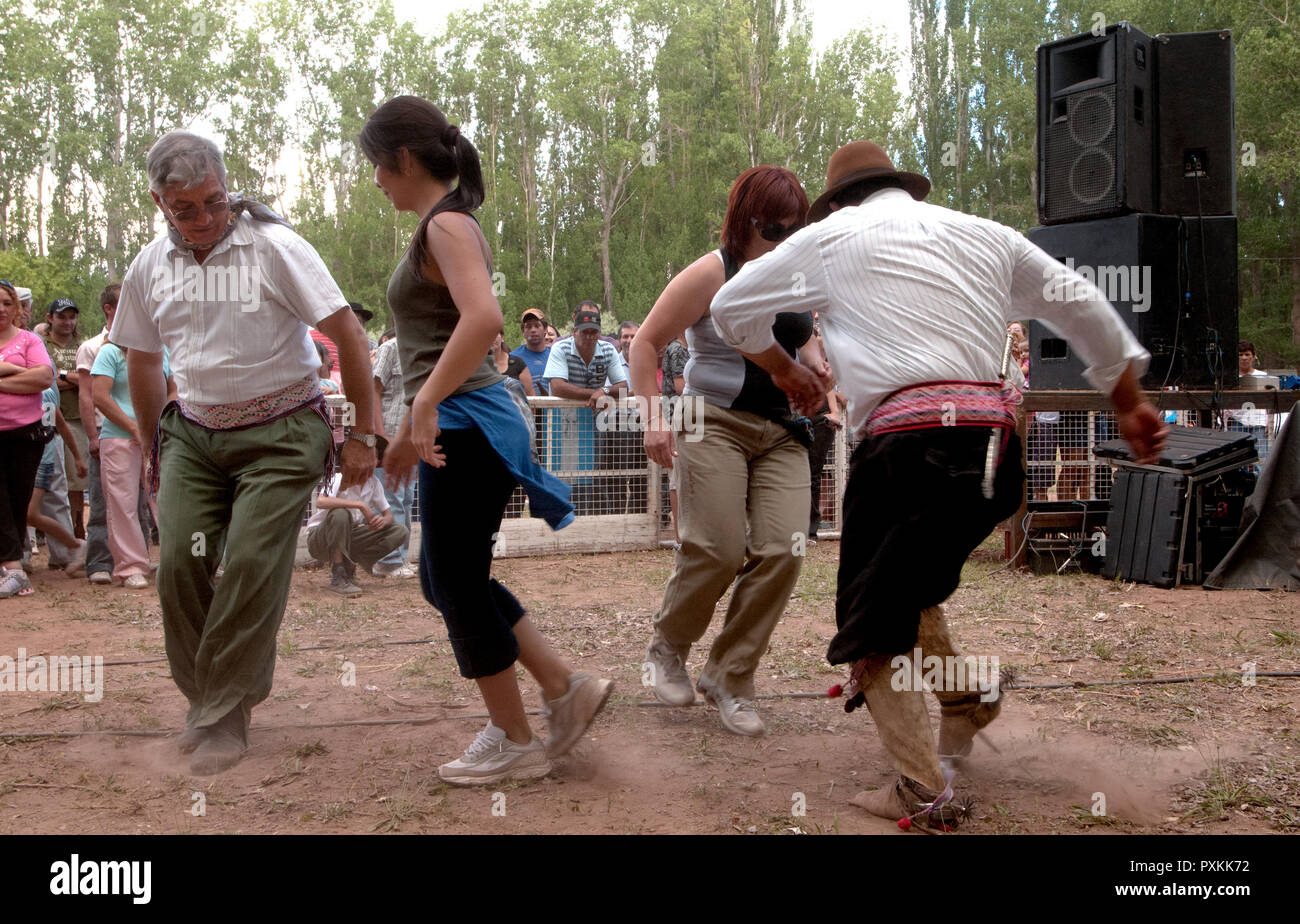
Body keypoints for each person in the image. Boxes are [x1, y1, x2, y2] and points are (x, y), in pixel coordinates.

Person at [710, 140, 1168, 826]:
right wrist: (1128, 397)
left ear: (837, 203)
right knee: (908, 580)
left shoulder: (830, 239)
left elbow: (730, 307)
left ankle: (923, 789)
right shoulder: (987, 235)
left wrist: (783, 370)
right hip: (992, 456)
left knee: (870, 621)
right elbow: (1078, 301)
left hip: (903, 451)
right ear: (907, 192)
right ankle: (967, 697)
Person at [360, 94, 612, 786]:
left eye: (377, 166)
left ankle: (516, 739)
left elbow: (484, 318)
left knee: (456, 583)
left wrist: (426, 406)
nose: (376, 180)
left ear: (404, 159)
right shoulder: (445, 225)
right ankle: (563, 688)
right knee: (447, 579)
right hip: (466, 418)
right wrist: (421, 412)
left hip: (468, 420)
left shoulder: (445, 226)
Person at [112, 130, 378, 776]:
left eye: (214, 202)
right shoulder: (149, 266)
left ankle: (223, 713)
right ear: (159, 202)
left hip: (283, 431)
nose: (204, 220)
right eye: (186, 210)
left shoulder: (276, 248)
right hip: (193, 435)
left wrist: (364, 434)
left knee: (254, 561)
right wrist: (155, 448)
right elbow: (144, 360)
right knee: (178, 560)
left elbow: (347, 331)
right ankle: (206, 698)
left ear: (227, 188)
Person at [628, 165, 826, 736]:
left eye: (793, 229)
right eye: (771, 226)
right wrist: (653, 418)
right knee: (717, 548)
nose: (781, 239)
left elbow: (802, 332)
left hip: (781, 430)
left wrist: (815, 360)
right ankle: (667, 648)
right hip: (710, 419)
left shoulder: (794, 274)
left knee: (784, 550)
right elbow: (645, 342)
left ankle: (729, 676)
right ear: (743, 219)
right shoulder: (711, 272)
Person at [92, 339, 174, 587]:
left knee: (166, 497)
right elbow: (100, 396)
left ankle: (176, 560)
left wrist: (160, 422)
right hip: (118, 436)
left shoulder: (163, 350)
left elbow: (174, 389)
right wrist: (133, 427)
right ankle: (131, 566)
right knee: (122, 501)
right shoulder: (110, 353)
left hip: (157, 436)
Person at [545, 306, 632, 514]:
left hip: (596, 420)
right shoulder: (561, 348)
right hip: (564, 420)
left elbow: (623, 387)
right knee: (566, 473)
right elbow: (557, 386)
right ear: (574, 332)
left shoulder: (608, 349)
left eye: (593, 331)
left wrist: (603, 390)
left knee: (595, 471)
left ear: (599, 333)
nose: (589, 336)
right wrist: (595, 394)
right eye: (584, 331)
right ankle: (565, 518)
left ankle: (593, 519)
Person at [0, 280, 56, 598]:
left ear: (16, 308)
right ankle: (14, 568)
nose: (1, 309)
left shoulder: (29, 340)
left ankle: (12, 566)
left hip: (26, 434)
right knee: (0, 500)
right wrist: (15, 374)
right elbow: (30, 377)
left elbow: (44, 378)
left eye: (7, 303)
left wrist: (4, 371)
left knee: (19, 498)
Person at [75, 284, 122, 584]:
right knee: (102, 500)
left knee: (139, 500)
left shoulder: (143, 344)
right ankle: (99, 563)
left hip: (136, 432)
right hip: (106, 431)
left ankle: (134, 559)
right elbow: (86, 395)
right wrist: (92, 435)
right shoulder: (91, 347)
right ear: (108, 308)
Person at [306, 466, 407, 595]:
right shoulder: (338, 477)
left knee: (399, 531)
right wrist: (360, 505)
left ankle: (349, 566)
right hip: (320, 539)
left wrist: (382, 521)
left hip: (348, 536)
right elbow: (320, 502)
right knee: (340, 513)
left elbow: (389, 515)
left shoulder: (373, 482)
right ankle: (338, 575)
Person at [41, 298, 89, 543]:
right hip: (45, 419)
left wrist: (60, 375)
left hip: (77, 417)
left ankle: (77, 527)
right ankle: (50, 534)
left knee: (77, 480)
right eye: (62, 316)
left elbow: (88, 380)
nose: (68, 321)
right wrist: (69, 378)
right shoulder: (42, 345)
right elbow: (43, 380)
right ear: (50, 318)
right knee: (48, 479)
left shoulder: (82, 346)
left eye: (72, 316)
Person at [28, 382, 87, 577]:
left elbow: (57, 425)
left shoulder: (44, 393)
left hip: (41, 461)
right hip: (28, 460)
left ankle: (75, 545)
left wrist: (78, 457)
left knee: (30, 513)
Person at [370, 334, 416, 578]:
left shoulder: (424, 348)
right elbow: (373, 390)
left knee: (406, 498)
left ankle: (399, 557)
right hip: (387, 432)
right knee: (389, 498)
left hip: (412, 439)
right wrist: (379, 434)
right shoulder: (389, 348)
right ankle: (387, 559)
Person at [511, 308, 551, 394]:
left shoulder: (555, 355)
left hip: (553, 406)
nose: (533, 330)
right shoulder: (513, 358)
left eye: (537, 326)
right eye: (528, 327)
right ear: (523, 331)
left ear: (545, 329)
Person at [492, 329, 534, 395]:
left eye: (494, 334)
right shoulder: (476, 366)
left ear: (502, 337)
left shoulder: (518, 363)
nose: (491, 338)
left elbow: (530, 396)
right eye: (487, 335)